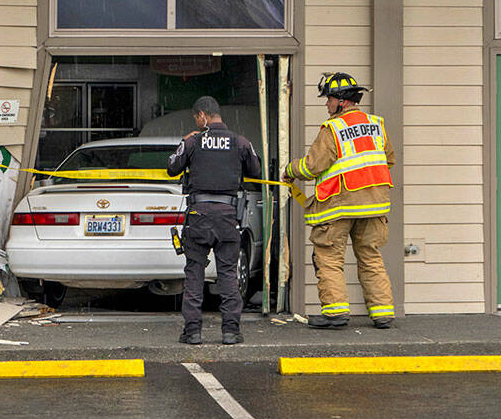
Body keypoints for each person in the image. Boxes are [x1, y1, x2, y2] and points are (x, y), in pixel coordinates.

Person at [283, 72, 396, 329]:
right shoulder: (377, 124)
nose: (326, 104)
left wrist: (290, 171)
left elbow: (312, 166)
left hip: (340, 204)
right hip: (375, 205)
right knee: (370, 256)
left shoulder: (333, 129)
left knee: (328, 256)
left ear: (342, 101)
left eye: (329, 99)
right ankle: (382, 313)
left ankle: (335, 312)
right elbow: (388, 159)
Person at [167, 95, 261, 346]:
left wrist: (183, 142)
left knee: (194, 275)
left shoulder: (194, 141)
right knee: (228, 275)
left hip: (199, 217)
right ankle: (231, 331)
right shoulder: (240, 142)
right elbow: (256, 170)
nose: (196, 122)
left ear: (202, 116)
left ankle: (193, 332)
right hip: (228, 216)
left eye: (196, 118)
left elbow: (172, 167)